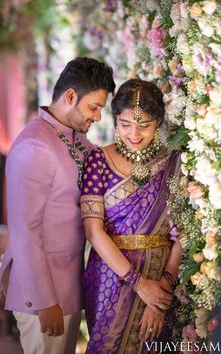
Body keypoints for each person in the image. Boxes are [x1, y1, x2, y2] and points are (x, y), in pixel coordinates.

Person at [0, 57, 115, 354]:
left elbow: (105, 160)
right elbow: (24, 231)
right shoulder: (35, 146)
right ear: (70, 96)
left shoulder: (74, 141)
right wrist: (44, 301)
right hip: (43, 295)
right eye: (94, 107)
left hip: (69, 287)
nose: (98, 117)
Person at [80, 78, 182, 353]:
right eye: (125, 125)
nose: (134, 134)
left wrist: (161, 292)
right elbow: (93, 231)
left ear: (159, 123)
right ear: (114, 120)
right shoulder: (98, 161)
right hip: (110, 277)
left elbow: (181, 234)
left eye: (144, 125)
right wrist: (139, 284)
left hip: (161, 275)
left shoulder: (173, 161)